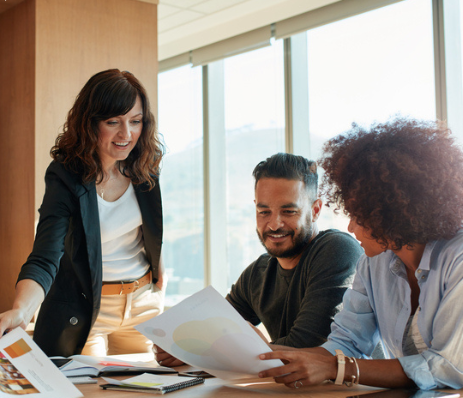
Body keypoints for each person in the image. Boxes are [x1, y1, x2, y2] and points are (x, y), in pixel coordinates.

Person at [257, 118, 463, 393]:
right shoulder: (373, 264)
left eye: (359, 215)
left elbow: (447, 368)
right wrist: (269, 356)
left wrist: (339, 369)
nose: (350, 227)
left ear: (392, 213)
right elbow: (345, 342)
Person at [0, 69, 165, 358]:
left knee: (148, 394)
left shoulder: (146, 163)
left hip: (144, 304)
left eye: (135, 121)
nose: (127, 134)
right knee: (87, 393)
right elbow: (45, 255)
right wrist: (22, 310)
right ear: (90, 123)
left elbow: (150, 225)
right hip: (87, 309)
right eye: (113, 122)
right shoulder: (65, 175)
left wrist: (160, 270)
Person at [154, 153, 362, 367]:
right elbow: (211, 331)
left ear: (315, 210)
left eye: (288, 211)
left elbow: (305, 349)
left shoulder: (337, 250)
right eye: (264, 211)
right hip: (296, 395)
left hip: (353, 394)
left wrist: (226, 348)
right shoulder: (258, 273)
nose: (273, 224)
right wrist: (180, 349)